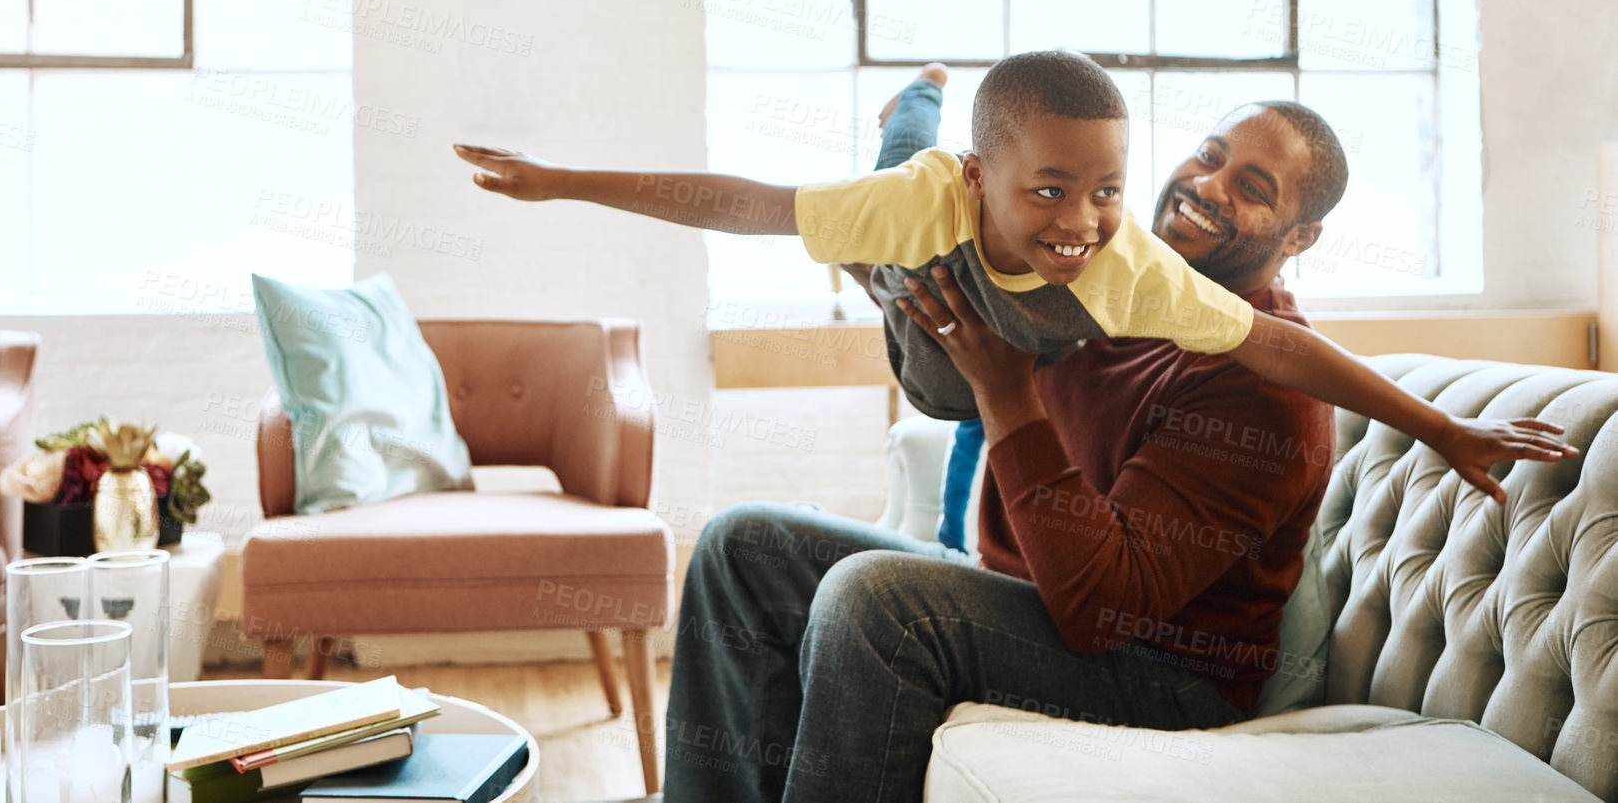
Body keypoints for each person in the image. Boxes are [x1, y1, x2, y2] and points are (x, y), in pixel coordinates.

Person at [650, 83, 1574, 802]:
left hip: (1163, 674)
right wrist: (892, 277)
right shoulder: (1107, 283)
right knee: (747, 545)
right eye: (1208, 157)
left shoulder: (1252, 387)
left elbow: (1103, 611)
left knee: (880, 599)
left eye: (1249, 189)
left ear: (1301, 236)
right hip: (1035, 606)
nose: (1206, 187)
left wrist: (1006, 394)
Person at [454, 50, 1573, 497]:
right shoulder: (934, 199)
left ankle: (939, 126)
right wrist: (564, 180)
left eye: (1107, 189)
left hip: (970, 375)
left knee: (967, 367)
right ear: (992, 176)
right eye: (1050, 191)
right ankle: (918, 101)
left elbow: (1281, 344)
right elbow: (741, 203)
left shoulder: (1126, 265)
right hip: (919, 286)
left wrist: (1437, 425)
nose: (1083, 222)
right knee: (888, 182)